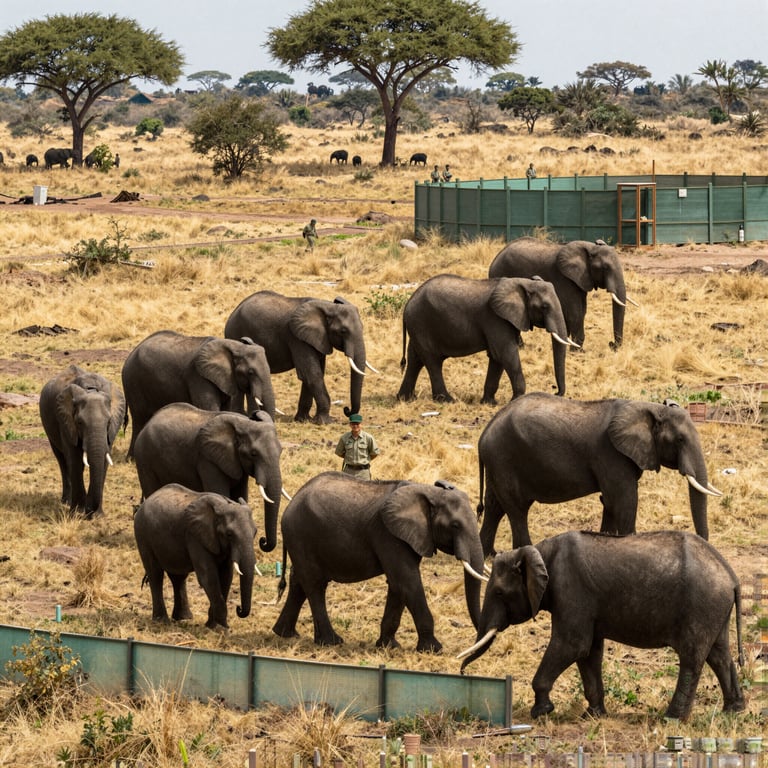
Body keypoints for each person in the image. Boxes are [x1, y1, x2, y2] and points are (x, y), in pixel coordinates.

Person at [335, 413, 379, 479]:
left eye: (357, 424)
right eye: (353, 424)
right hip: (348, 471)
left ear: (361, 424)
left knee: (365, 489)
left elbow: (374, 453)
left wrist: (364, 460)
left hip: (363, 472)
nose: (355, 426)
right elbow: (339, 452)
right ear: (350, 424)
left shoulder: (368, 438)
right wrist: (349, 458)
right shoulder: (344, 438)